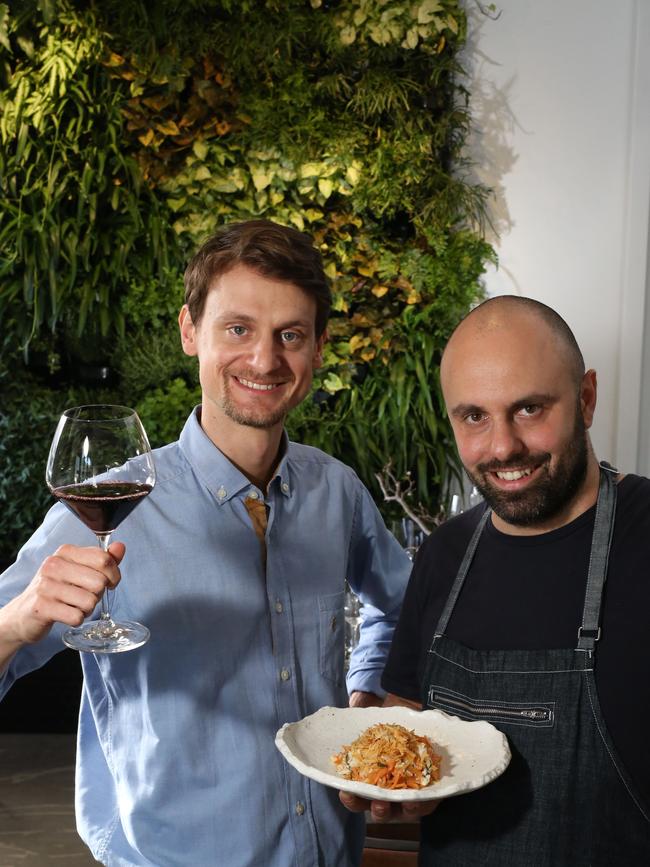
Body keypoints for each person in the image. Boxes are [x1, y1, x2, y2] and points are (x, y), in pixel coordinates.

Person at [0, 220, 411, 867]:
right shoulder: (108, 509)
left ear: (319, 347)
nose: (265, 359)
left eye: (291, 335)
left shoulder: (338, 492)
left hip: (332, 853)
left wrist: (365, 689)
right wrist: (18, 623)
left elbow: (402, 604)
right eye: (238, 328)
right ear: (191, 330)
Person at [342, 296, 650, 864]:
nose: (503, 446)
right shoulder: (444, 554)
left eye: (530, 409)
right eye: (474, 416)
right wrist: (393, 786)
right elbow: (406, 719)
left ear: (586, 398)